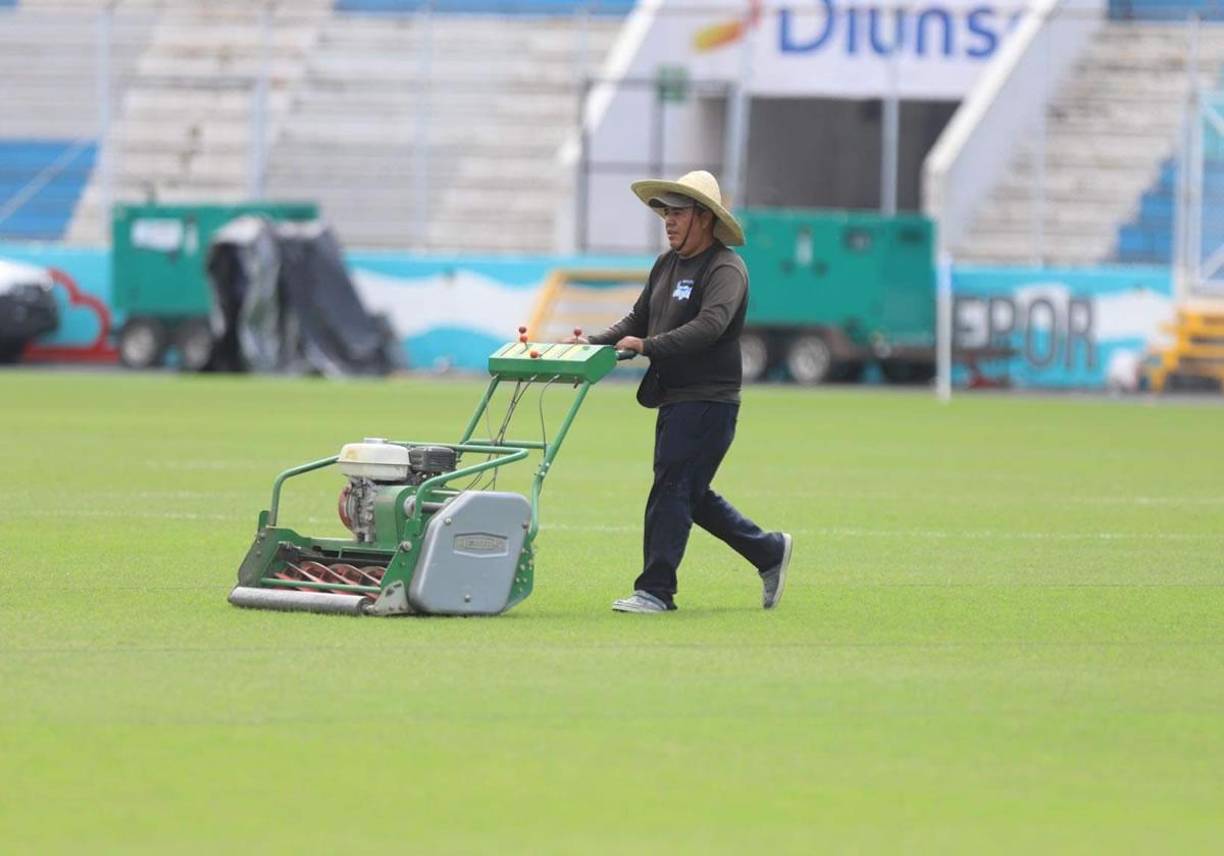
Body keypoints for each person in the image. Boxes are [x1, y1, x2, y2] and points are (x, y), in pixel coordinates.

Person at [566, 170, 793, 613]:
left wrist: (648, 347)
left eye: (678, 213)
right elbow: (636, 320)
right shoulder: (666, 265)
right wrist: (593, 343)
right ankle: (768, 551)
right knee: (688, 492)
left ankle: (655, 590)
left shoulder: (726, 268)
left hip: (710, 400)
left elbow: (710, 327)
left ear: (705, 217)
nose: (668, 221)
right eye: (665, 213)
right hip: (675, 396)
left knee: (672, 488)